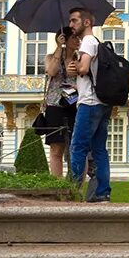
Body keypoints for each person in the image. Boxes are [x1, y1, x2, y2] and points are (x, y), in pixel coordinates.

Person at [67, 8, 111, 202]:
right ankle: (102, 192)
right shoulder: (95, 42)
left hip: (90, 102)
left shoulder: (88, 41)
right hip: (102, 102)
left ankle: (71, 190)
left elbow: (84, 68)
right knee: (99, 149)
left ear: (86, 23)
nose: (71, 25)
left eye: (74, 21)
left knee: (78, 146)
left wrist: (74, 67)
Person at [42, 29, 80, 178]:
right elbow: (51, 72)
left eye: (78, 37)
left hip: (75, 104)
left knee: (77, 147)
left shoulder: (81, 59)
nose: (77, 40)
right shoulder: (52, 57)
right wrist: (59, 48)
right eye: (73, 38)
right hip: (55, 104)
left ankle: (76, 187)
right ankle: (57, 185)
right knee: (56, 148)